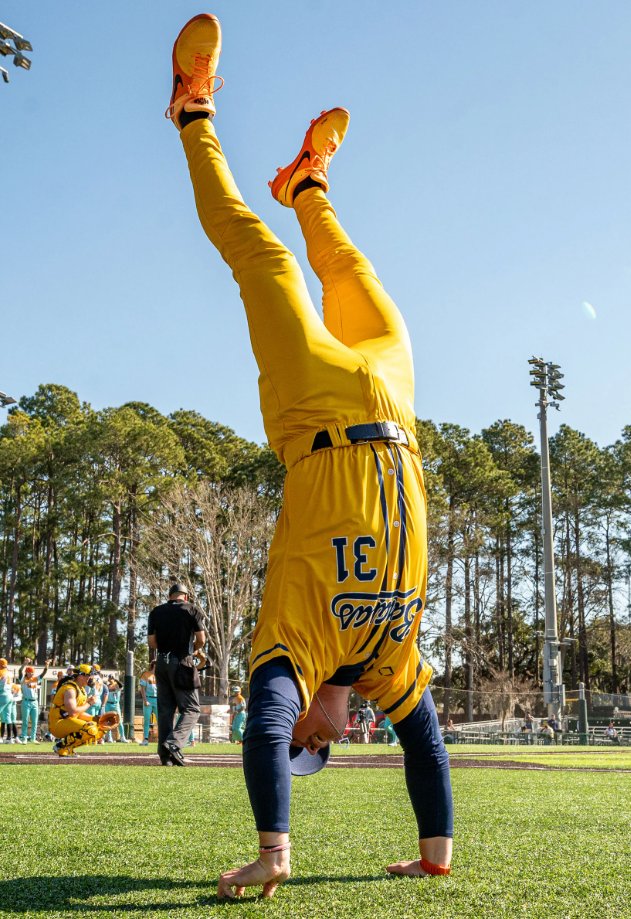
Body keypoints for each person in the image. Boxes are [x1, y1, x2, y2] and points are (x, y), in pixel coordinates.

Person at [165, 13, 453, 897]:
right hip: (394, 406)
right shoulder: (389, 664)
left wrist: (274, 850)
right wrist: (436, 853)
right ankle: (307, 183)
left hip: (316, 412)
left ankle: (193, 111)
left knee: (266, 263)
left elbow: (263, 721)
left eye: (305, 746)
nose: (316, 742)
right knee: (360, 284)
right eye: (318, 750)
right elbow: (428, 746)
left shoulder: (292, 642)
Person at [147, 582, 206, 766]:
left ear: (170, 596)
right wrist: (193, 651)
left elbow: (151, 642)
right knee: (192, 708)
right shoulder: (191, 610)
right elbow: (201, 639)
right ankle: (173, 743)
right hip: (182, 662)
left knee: (166, 710)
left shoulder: (156, 612)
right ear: (186, 597)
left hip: (161, 663)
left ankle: (165, 756)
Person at [48, 664, 114, 756]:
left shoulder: (82, 690)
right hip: (57, 723)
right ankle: (61, 746)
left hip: (67, 720)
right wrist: (89, 703)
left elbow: (79, 713)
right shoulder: (70, 689)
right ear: (80, 676)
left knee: (100, 727)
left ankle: (68, 749)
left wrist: (95, 718)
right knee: (90, 729)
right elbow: (73, 712)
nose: (91, 678)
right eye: (89, 675)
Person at [138, 661, 159, 746]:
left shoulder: (160, 675)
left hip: (157, 700)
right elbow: (142, 689)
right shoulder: (145, 674)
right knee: (147, 720)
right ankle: (145, 739)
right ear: (154, 665)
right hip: (148, 700)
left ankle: (162, 739)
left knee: (160, 720)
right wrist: (145, 700)